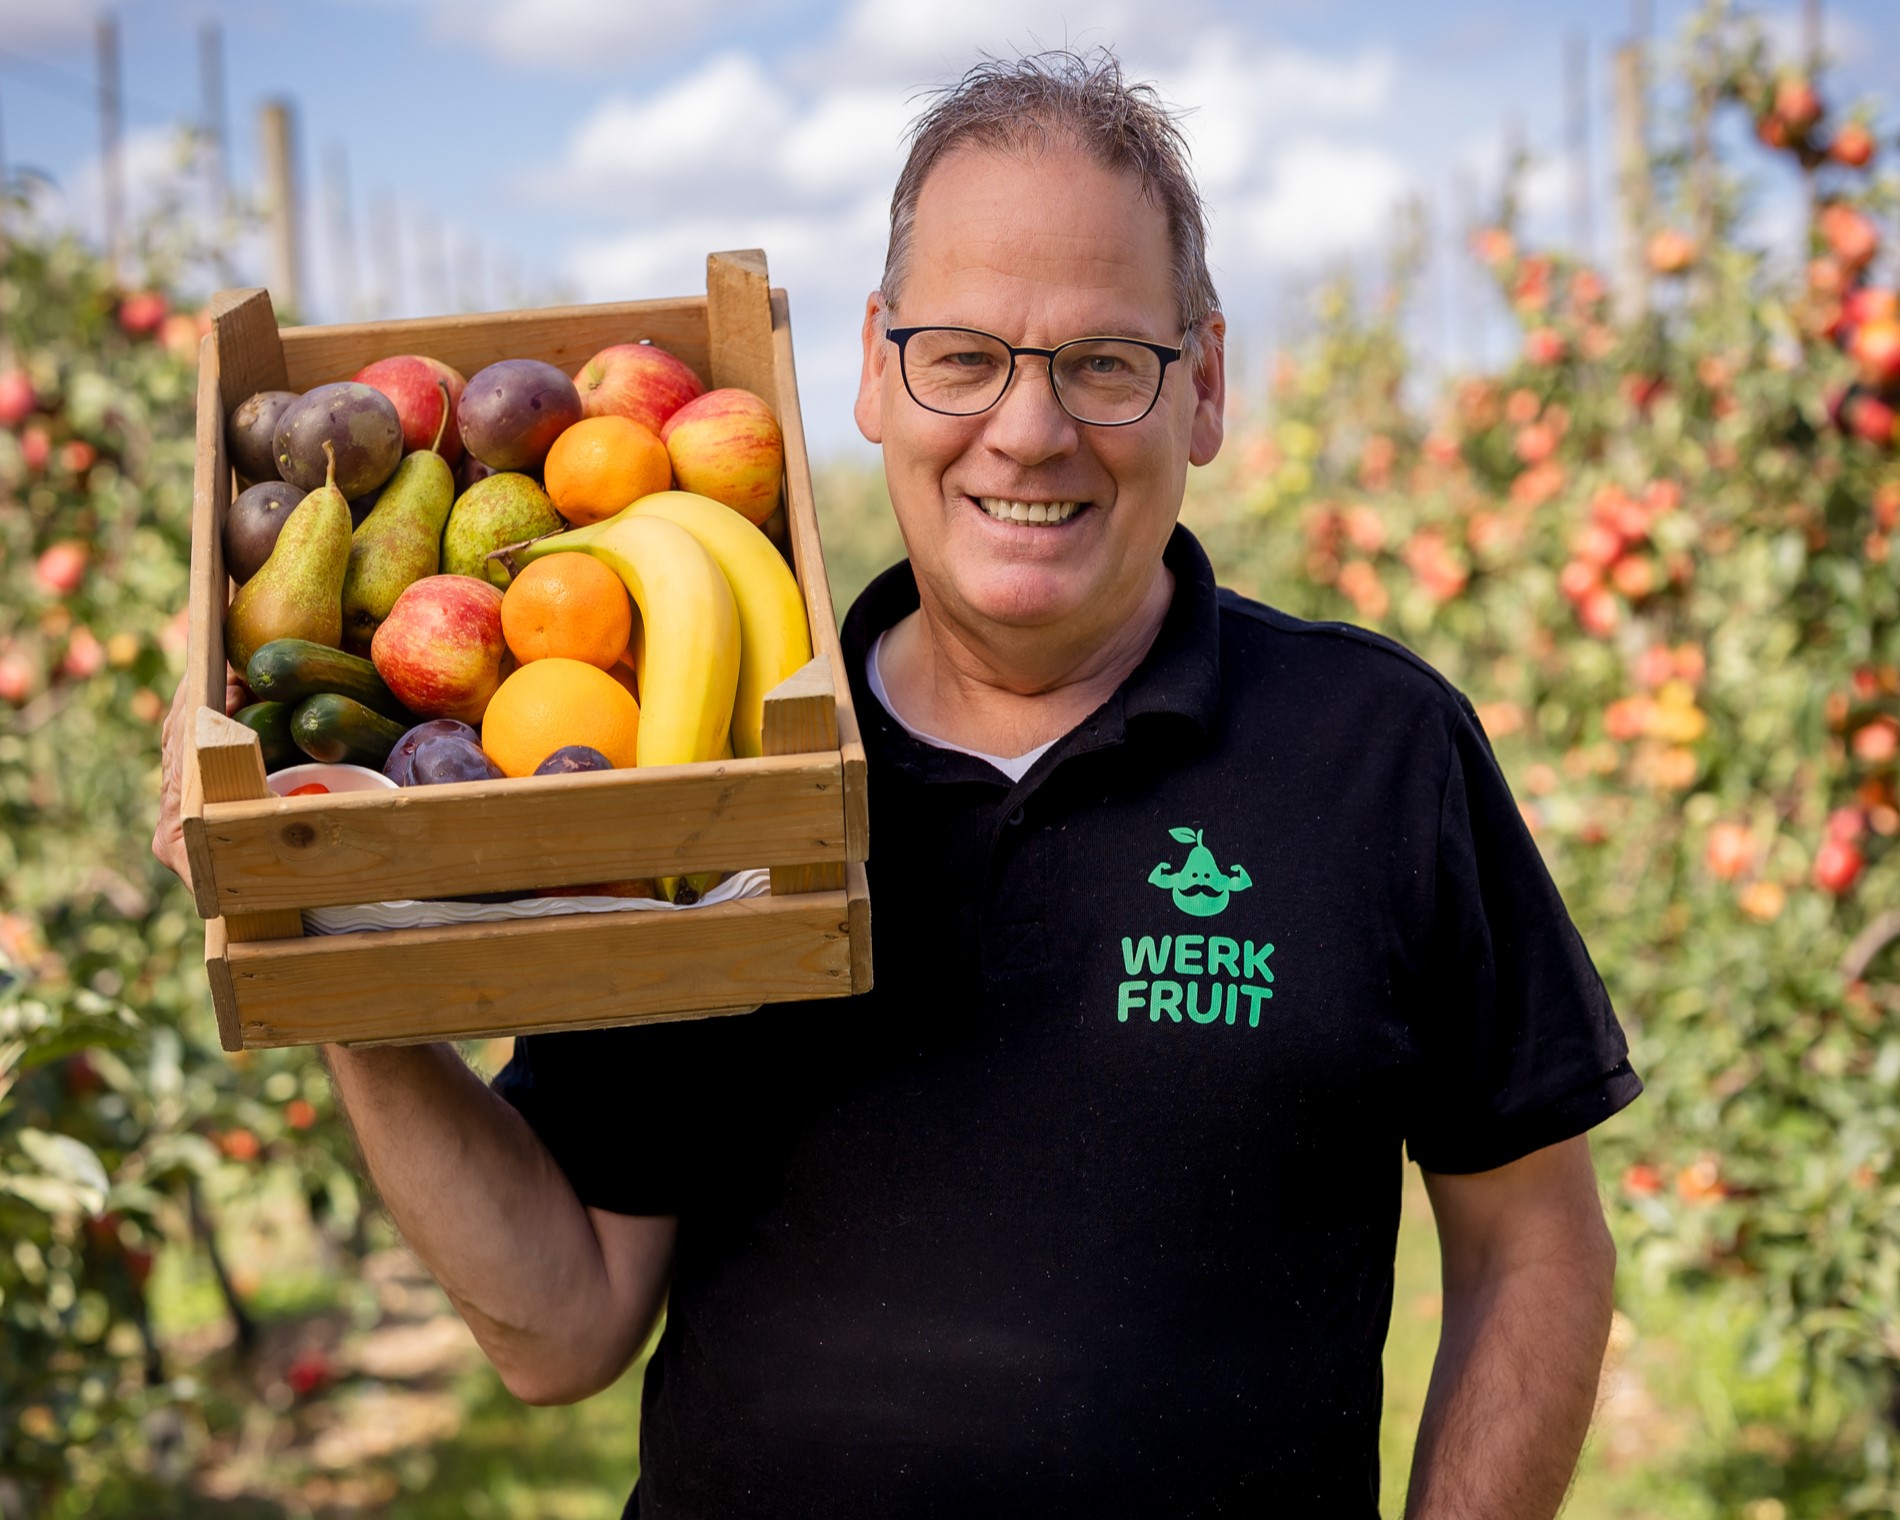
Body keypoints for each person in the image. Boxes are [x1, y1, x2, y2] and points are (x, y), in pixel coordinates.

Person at [155, 49, 1640, 1520]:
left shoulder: (1375, 748)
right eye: (965, 356)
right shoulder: (703, 778)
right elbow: (565, 1322)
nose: (1030, 429)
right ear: (875, 366)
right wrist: (329, 948)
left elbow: (1533, 1245)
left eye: (1105, 362)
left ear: (1205, 389)